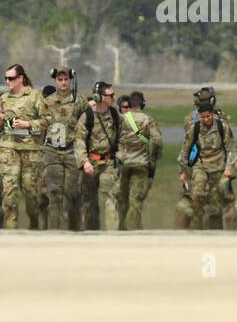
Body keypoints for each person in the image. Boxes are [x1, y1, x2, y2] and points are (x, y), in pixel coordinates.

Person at [0, 64, 48, 229]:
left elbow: (47, 120)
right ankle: (11, 229)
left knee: (31, 192)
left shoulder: (35, 96)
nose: (7, 82)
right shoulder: (4, 98)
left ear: (21, 78)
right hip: (9, 148)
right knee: (9, 192)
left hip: (31, 151)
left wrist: (28, 124)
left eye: (11, 78)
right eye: (6, 78)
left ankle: (34, 224)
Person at [178, 101, 237, 230]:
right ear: (200, 116)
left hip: (219, 167)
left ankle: (214, 231)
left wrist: (228, 168)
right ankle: (197, 227)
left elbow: (231, 150)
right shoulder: (195, 129)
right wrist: (182, 171)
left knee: (215, 204)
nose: (206, 119)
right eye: (203, 117)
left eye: (208, 116)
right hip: (201, 166)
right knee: (197, 195)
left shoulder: (223, 128)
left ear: (212, 115)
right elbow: (185, 151)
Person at [42, 68, 87, 230]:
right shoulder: (47, 101)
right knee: (54, 193)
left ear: (70, 80)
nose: (63, 83)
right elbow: (39, 123)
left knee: (72, 193)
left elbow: (88, 123)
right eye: (59, 80)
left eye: (65, 79)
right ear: (55, 81)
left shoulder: (79, 101)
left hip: (71, 151)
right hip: (52, 151)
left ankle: (73, 230)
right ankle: (54, 231)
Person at [75, 82, 122, 230]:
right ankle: (89, 234)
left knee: (111, 199)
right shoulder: (87, 116)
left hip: (108, 163)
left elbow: (124, 136)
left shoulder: (115, 114)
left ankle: (113, 234)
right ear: (99, 97)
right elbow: (79, 140)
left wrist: (120, 156)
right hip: (90, 163)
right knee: (88, 202)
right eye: (110, 95)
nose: (114, 98)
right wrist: (84, 162)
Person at [115, 92, 162, 230]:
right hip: (141, 163)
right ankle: (134, 228)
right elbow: (157, 140)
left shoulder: (120, 119)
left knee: (122, 198)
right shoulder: (148, 119)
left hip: (122, 163)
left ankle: (121, 227)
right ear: (142, 104)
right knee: (135, 199)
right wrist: (153, 157)